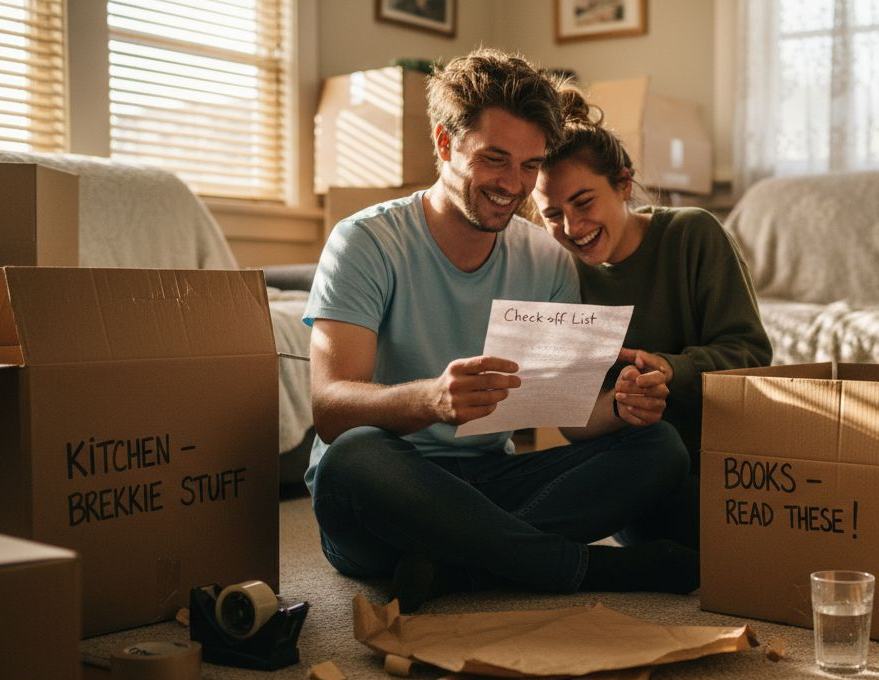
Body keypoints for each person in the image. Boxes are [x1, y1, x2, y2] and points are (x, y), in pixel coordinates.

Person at [303, 49, 697, 611]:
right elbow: (330, 408)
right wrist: (431, 400)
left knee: (658, 446)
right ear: (444, 144)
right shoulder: (365, 242)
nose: (513, 185)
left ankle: (456, 569)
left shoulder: (546, 259)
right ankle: (577, 568)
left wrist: (621, 407)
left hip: (493, 477)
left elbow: (554, 418)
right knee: (351, 457)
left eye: (530, 165)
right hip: (393, 488)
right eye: (495, 159)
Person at [531, 87, 773, 549]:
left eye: (584, 202)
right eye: (553, 215)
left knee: (685, 540)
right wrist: (621, 408)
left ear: (623, 183)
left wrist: (669, 369)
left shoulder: (692, 234)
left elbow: (751, 356)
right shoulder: (558, 273)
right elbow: (569, 420)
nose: (573, 228)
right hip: (630, 461)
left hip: (710, 460)